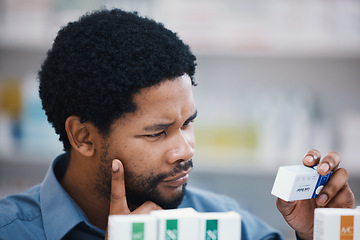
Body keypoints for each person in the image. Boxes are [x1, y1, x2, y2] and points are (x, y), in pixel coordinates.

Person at [0, 8, 355, 240]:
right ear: (83, 136)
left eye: (188, 123)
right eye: (157, 132)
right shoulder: (12, 230)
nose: (186, 149)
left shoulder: (220, 221)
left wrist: (316, 235)